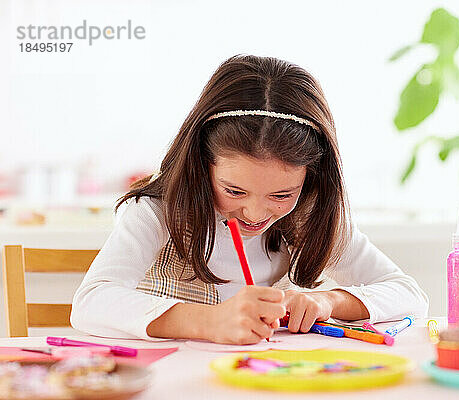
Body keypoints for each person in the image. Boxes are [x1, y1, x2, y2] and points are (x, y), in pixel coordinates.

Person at [71, 55, 429, 344]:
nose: (255, 213)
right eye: (234, 191)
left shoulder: (309, 216)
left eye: (281, 194)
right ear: (202, 164)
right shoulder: (157, 211)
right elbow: (91, 303)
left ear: (312, 177)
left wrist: (328, 301)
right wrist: (209, 322)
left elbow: (409, 294)